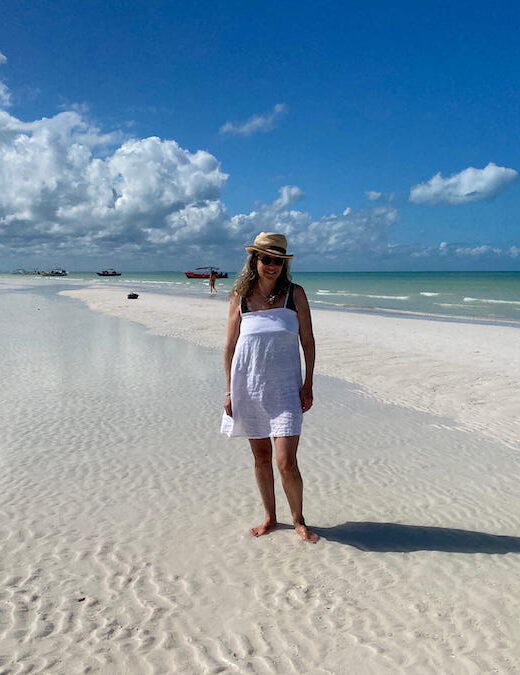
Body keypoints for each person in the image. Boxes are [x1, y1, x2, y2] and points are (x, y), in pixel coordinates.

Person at [221, 232, 319, 543]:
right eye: (267, 259)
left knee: (285, 461)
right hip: (248, 389)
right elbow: (229, 346)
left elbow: (308, 341)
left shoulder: (295, 294)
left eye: (278, 261)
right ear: (255, 260)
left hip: (287, 391)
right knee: (261, 457)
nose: (272, 265)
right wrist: (229, 391)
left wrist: (308, 383)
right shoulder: (240, 297)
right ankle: (270, 518)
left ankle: (299, 520)